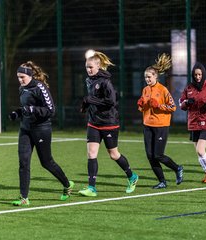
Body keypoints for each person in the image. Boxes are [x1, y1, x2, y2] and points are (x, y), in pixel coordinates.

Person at [8, 61, 74, 206]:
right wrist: (17, 113)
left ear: (30, 75)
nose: (20, 80)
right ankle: (24, 198)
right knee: (23, 162)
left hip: (41, 129)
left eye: (22, 77)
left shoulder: (40, 87)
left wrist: (32, 110)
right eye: (18, 77)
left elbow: (51, 111)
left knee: (46, 162)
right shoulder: (22, 88)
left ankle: (67, 184)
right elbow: (26, 108)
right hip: (25, 129)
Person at [78, 50, 138, 197]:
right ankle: (91, 188)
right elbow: (91, 99)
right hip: (93, 122)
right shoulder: (89, 80)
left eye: (91, 67)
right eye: (87, 67)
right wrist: (85, 105)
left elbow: (111, 102)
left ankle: (132, 176)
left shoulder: (106, 82)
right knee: (91, 154)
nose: (88, 70)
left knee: (113, 154)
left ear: (99, 67)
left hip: (109, 122)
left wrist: (90, 100)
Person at [137, 53, 183, 189]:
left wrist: (159, 105)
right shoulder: (145, 90)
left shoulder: (163, 90)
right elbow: (142, 109)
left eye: (149, 77)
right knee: (150, 156)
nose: (147, 79)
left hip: (161, 125)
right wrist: (141, 104)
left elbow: (173, 107)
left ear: (156, 76)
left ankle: (177, 168)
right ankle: (162, 181)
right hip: (147, 125)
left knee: (158, 155)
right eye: (145, 77)